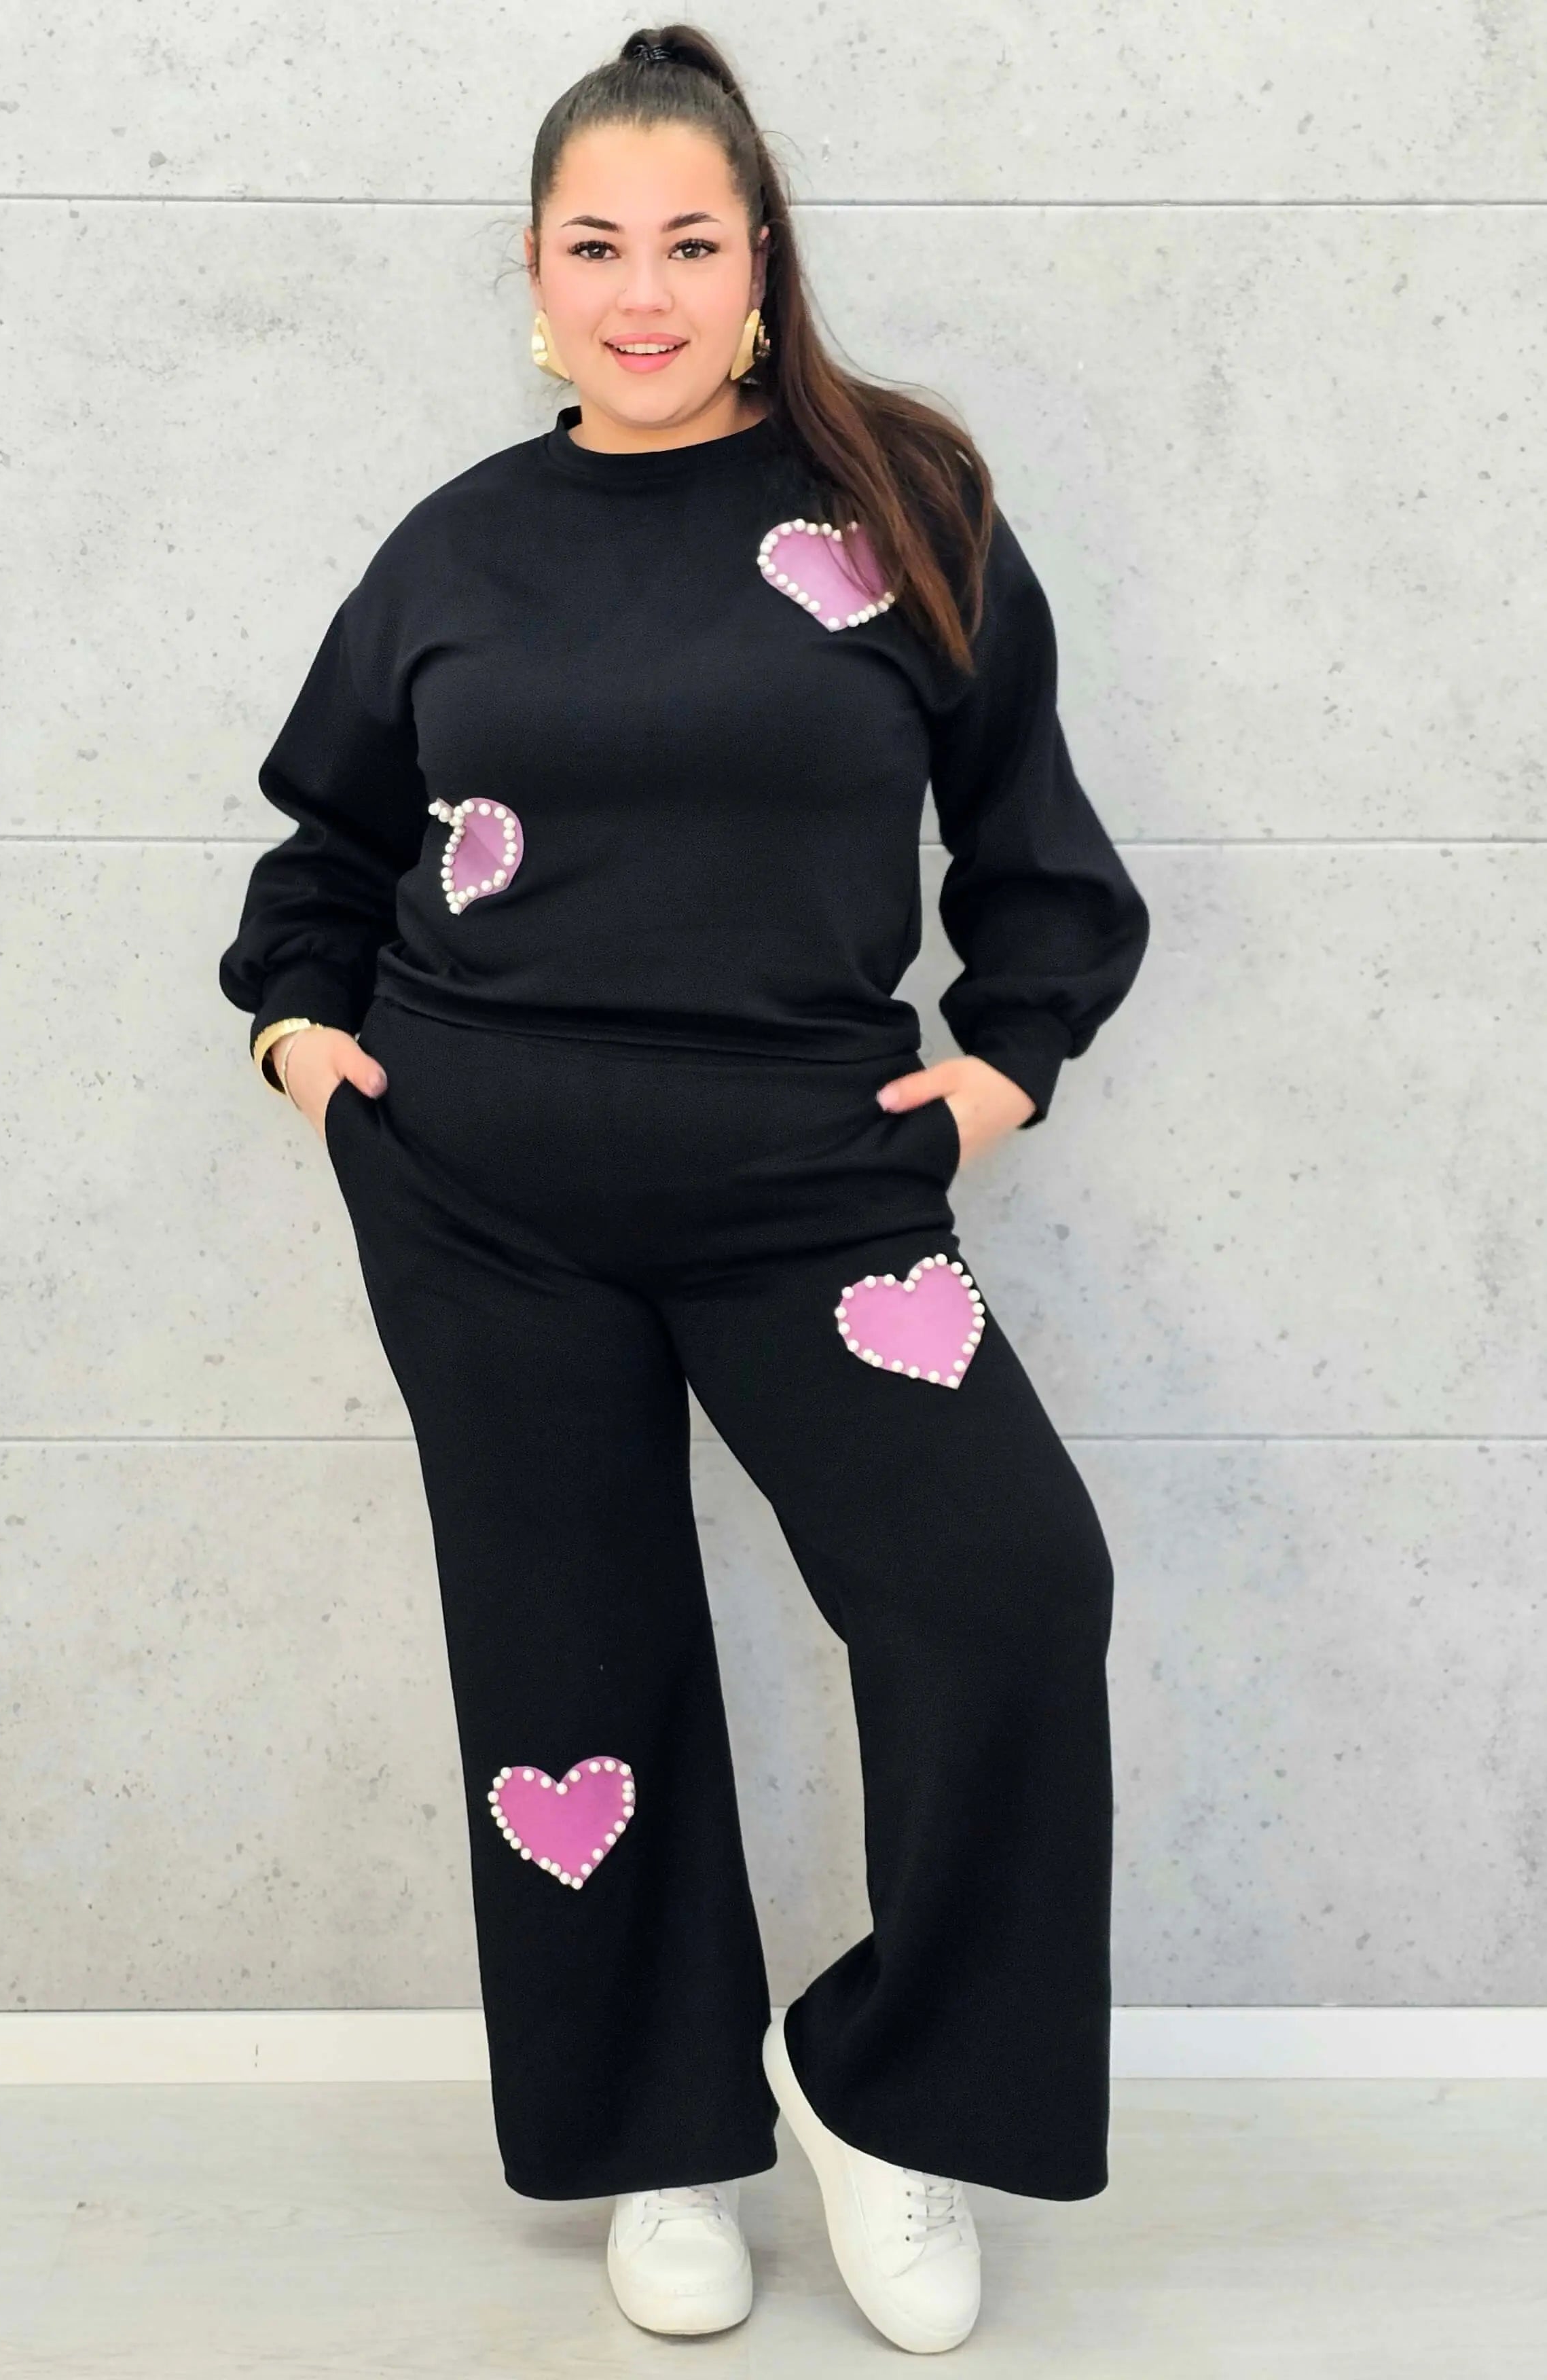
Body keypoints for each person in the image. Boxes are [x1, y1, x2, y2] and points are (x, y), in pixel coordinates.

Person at [217, 22, 1150, 2357]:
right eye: (594, 246)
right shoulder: (457, 543)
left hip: (811, 1194)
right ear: (535, 279)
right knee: (573, 1668)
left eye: (689, 243)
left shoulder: (903, 509)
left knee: (1007, 1594)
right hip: (480, 1197)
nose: (642, 292)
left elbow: (1032, 850)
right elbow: (324, 842)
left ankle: (882, 2095)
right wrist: (302, 1043)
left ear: (760, 268)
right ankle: (656, 2142)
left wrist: (996, 1078)